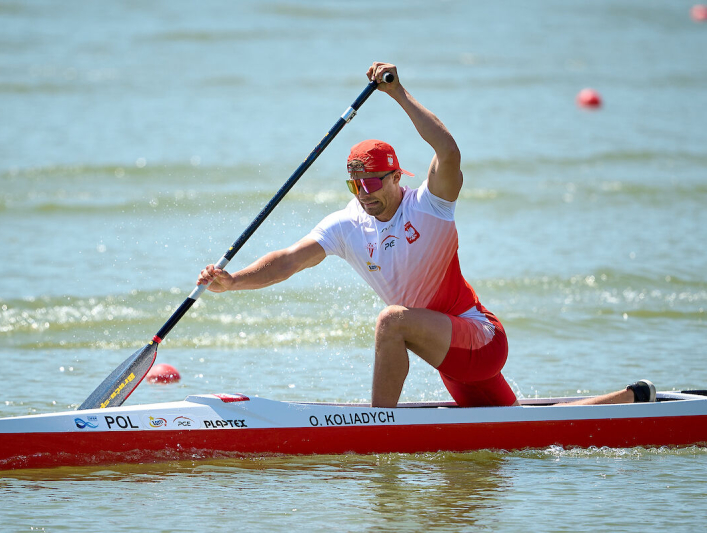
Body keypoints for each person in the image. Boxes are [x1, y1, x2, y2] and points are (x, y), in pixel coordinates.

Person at [197, 62, 655, 409]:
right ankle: (634, 400)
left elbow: (448, 151)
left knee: (391, 321)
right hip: (448, 357)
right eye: (355, 186)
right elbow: (289, 260)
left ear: (397, 177)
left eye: (373, 182)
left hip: (480, 338)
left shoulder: (429, 204)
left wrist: (397, 93)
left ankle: (378, 429)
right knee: (517, 429)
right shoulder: (346, 225)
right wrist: (233, 282)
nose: (364, 194)